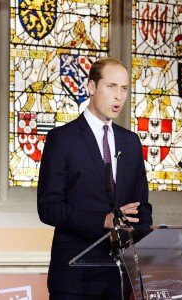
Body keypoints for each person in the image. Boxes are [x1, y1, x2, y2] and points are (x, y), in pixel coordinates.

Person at [37, 57, 153, 299]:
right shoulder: (62, 139)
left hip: (118, 278)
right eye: (111, 87)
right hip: (73, 278)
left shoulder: (130, 143)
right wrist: (104, 220)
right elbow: (49, 208)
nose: (119, 96)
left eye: (124, 89)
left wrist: (145, 235)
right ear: (91, 87)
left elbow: (142, 205)